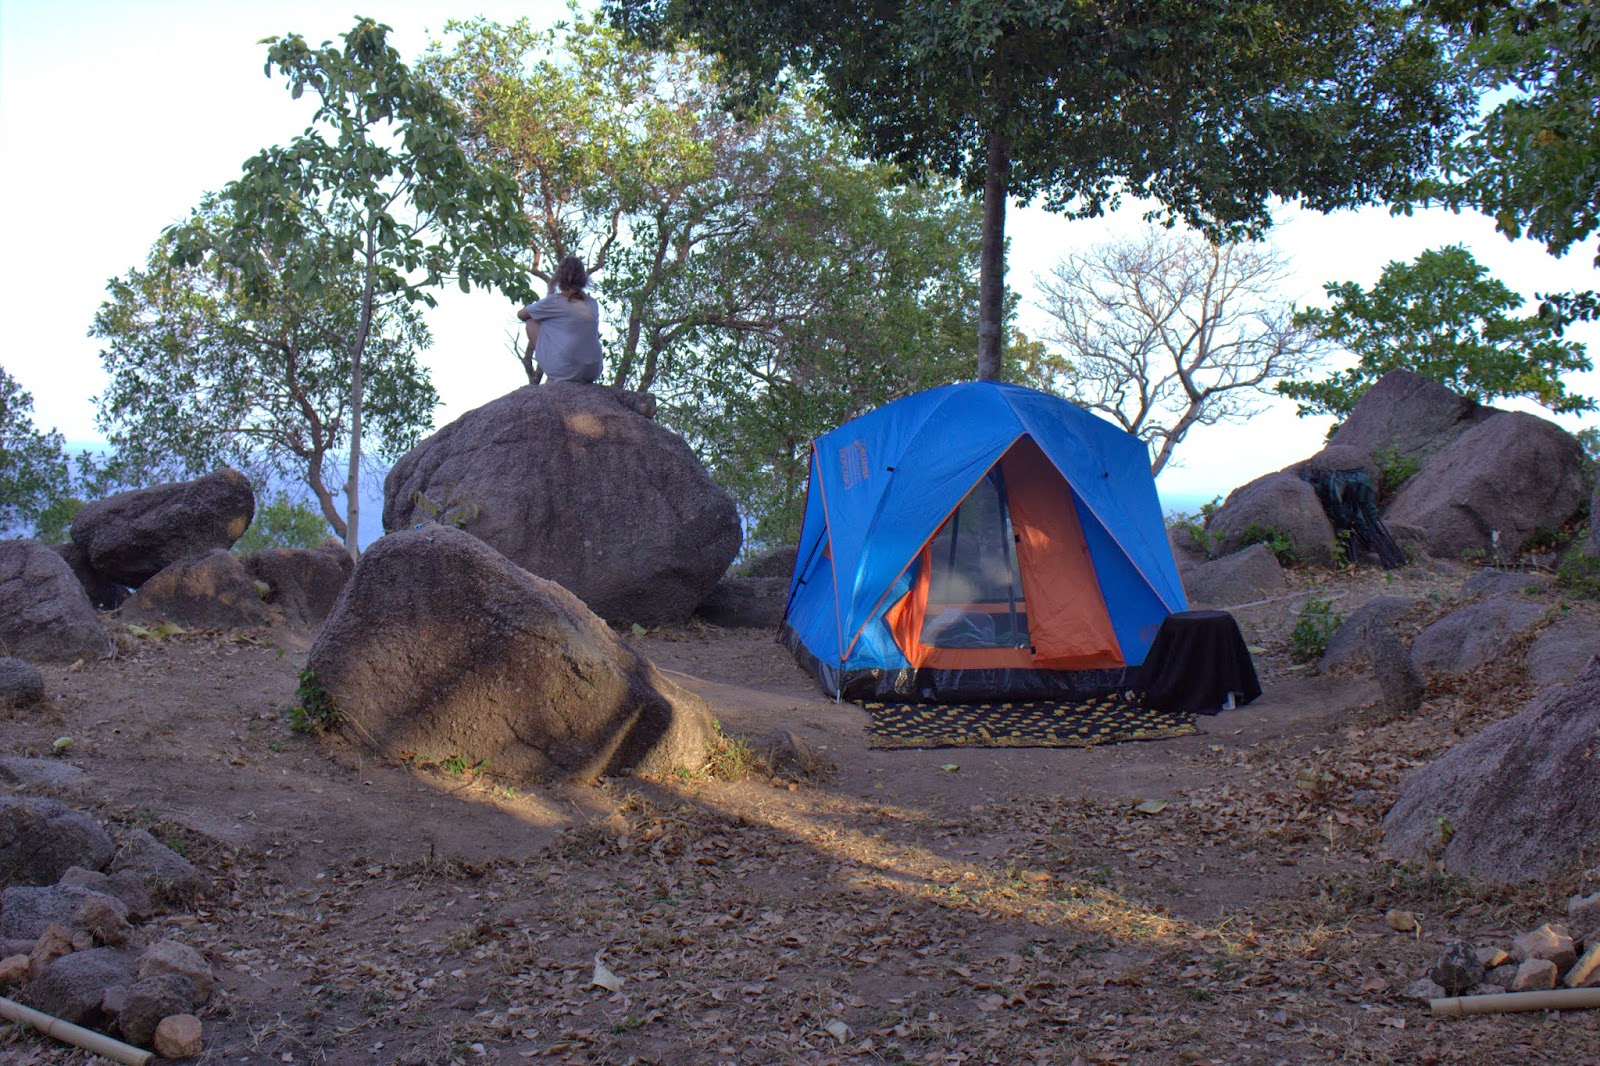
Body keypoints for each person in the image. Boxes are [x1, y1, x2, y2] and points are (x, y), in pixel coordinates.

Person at [517, 257, 604, 384]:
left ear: (559, 277)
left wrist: (541, 304)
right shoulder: (592, 303)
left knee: (531, 321)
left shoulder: (554, 301)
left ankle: (554, 372)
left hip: (567, 371)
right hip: (593, 371)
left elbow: (521, 315)